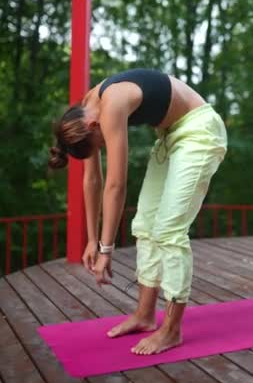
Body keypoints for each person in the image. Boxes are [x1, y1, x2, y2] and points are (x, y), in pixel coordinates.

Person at [49, 68, 227, 355]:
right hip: (170, 136)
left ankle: (171, 329)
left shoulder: (111, 104)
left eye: (101, 143)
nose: (104, 144)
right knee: (145, 225)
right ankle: (145, 316)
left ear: (94, 125)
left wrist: (106, 249)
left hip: (199, 130)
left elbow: (116, 184)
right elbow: (93, 180)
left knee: (169, 230)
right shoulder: (87, 109)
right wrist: (92, 240)